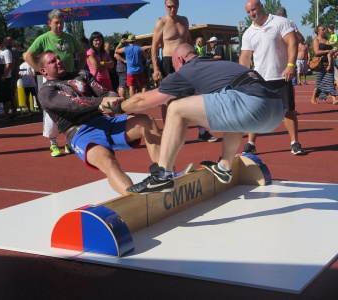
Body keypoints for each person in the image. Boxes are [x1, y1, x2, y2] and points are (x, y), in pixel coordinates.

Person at [101, 44, 285, 194]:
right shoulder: (219, 65)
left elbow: (144, 100)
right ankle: (224, 167)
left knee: (175, 108)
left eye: (174, 67)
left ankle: (162, 176)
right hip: (276, 110)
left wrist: (117, 107)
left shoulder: (186, 71)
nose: (175, 71)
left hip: (253, 105)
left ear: (180, 60)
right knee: (228, 105)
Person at [37, 51, 161, 195]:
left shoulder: (82, 75)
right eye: (52, 61)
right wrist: (102, 102)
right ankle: (135, 200)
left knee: (146, 121)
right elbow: (74, 104)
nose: (58, 61)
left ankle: (165, 175)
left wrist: (114, 98)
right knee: (108, 162)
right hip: (80, 133)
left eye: (58, 58)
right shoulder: (46, 91)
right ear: (43, 71)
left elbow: (105, 93)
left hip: (104, 122)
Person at [240, 0, 304, 155]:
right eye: (248, 12)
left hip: (281, 76)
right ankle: (250, 143)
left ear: (261, 6)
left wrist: (290, 65)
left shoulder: (281, 22)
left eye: (253, 10)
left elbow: (292, 43)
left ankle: (294, 142)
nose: (251, 14)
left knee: (289, 111)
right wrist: (243, 77)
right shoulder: (248, 32)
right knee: (255, 112)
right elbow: (245, 57)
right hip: (259, 79)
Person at [24, 9, 87, 157]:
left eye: (61, 22)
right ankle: (53, 143)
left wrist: (78, 69)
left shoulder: (70, 38)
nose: (59, 25)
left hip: (69, 79)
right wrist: (41, 70)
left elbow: (82, 53)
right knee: (52, 111)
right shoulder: (43, 38)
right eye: (56, 23)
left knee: (72, 108)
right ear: (49, 23)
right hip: (52, 81)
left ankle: (69, 141)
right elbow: (28, 56)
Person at [311, 25, 338, 105]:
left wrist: (333, 51)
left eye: (324, 29)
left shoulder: (327, 39)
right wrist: (328, 51)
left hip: (329, 63)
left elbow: (332, 47)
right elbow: (317, 52)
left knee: (330, 80)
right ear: (318, 31)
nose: (324, 31)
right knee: (319, 81)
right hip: (320, 64)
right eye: (322, 30)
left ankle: (334, 99)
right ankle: (313, 98)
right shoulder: (316, 40)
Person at [114, 34, 129, 98]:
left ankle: (121, 99)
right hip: (123, 68)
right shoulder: (121, 46)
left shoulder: (121, 46)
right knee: (122, 85)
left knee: (122, 85)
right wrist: (124, 60)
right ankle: (122, 99)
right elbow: (115, 54)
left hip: (120, 68)